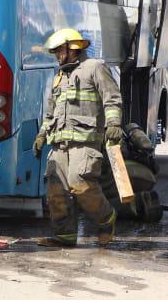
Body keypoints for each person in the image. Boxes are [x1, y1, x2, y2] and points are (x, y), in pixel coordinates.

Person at [31, 28, 123, 248]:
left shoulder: (95, 68)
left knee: (80, 183)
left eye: (59, 50)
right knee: (56, 191)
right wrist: (42, 134)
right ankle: (65, 236)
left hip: (85, 141)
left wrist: (113, 124)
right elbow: (50, 112)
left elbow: (112, 98)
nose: (56, 56)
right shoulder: (59, 76)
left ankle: (106, 219)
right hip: (60, 144)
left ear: (73, 47)